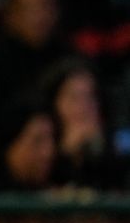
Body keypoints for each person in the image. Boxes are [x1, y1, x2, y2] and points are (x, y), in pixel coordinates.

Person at [41, 59, 126, 191]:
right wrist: (67, 154)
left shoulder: (115, 144)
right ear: (54, 102)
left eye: (90, 97)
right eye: (73, 97)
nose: (83, 107)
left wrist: (99, 151)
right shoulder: (40, 143)